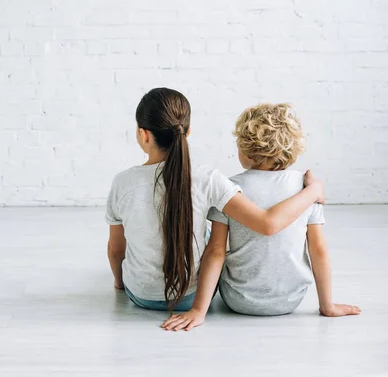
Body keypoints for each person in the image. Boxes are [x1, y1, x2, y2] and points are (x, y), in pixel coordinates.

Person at [105, 89, 326, 328]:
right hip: (190, 297)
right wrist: (313, 191)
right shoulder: (208, 178)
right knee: (210, 234)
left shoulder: (122, 182)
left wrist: (120, 283)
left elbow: (116, 250)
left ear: (143, 134)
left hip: (140, 296)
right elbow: (266, 223)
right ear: (187, 132)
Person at [163, 103, 360, 332]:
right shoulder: (306, 188)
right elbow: (318, 250)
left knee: (210, 238)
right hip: (290, 301)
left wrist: (198, 310)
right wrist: (327, 305)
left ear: (245, 150)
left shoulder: (231, 188)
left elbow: (215, 251)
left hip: (238, 300)